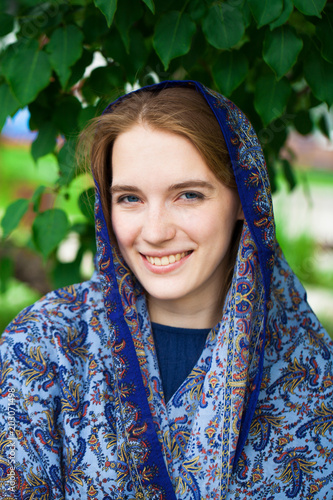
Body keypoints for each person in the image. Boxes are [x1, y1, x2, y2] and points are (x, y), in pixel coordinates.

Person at [0, 80, 332, 500]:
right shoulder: (43, 345)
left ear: (244, 201)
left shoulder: (310, 371)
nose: (155, 232)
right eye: (130, 199)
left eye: (188, 195)